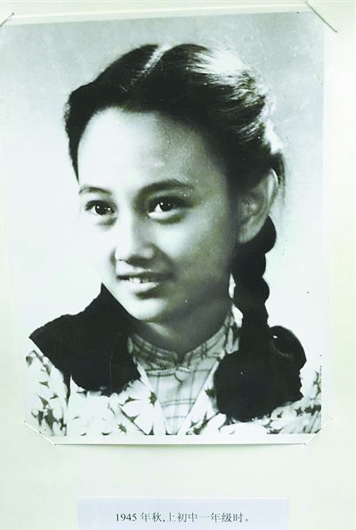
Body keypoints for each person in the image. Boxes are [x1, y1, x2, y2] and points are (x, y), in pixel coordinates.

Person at [25, 43, 321, 438]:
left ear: (249, 207)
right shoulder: (41, 377)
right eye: (101, 207)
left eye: (165, 204)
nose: (130, 248)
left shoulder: (306, 392)